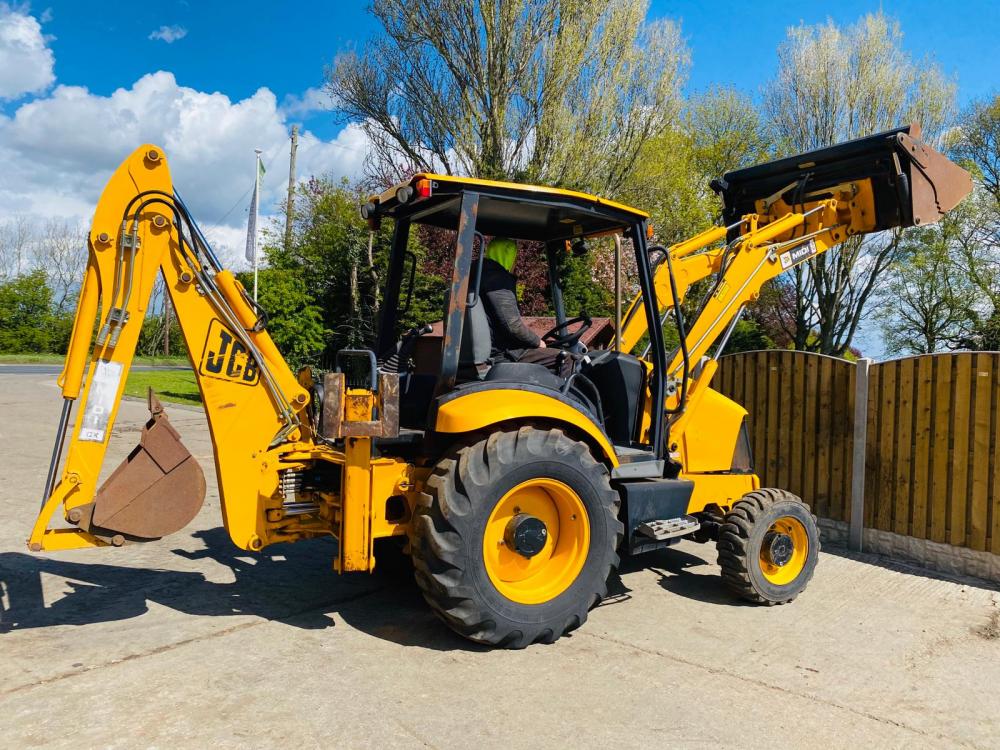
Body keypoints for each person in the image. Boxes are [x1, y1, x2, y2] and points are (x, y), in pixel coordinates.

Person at [480, 237, 565, 372]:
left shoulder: (475, 278)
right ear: (508, 255)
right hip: (503, 354)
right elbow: (513, 326)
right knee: (567, 360)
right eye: (515, 256)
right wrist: (538, 342)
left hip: (489, 350)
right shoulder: (498, 280)